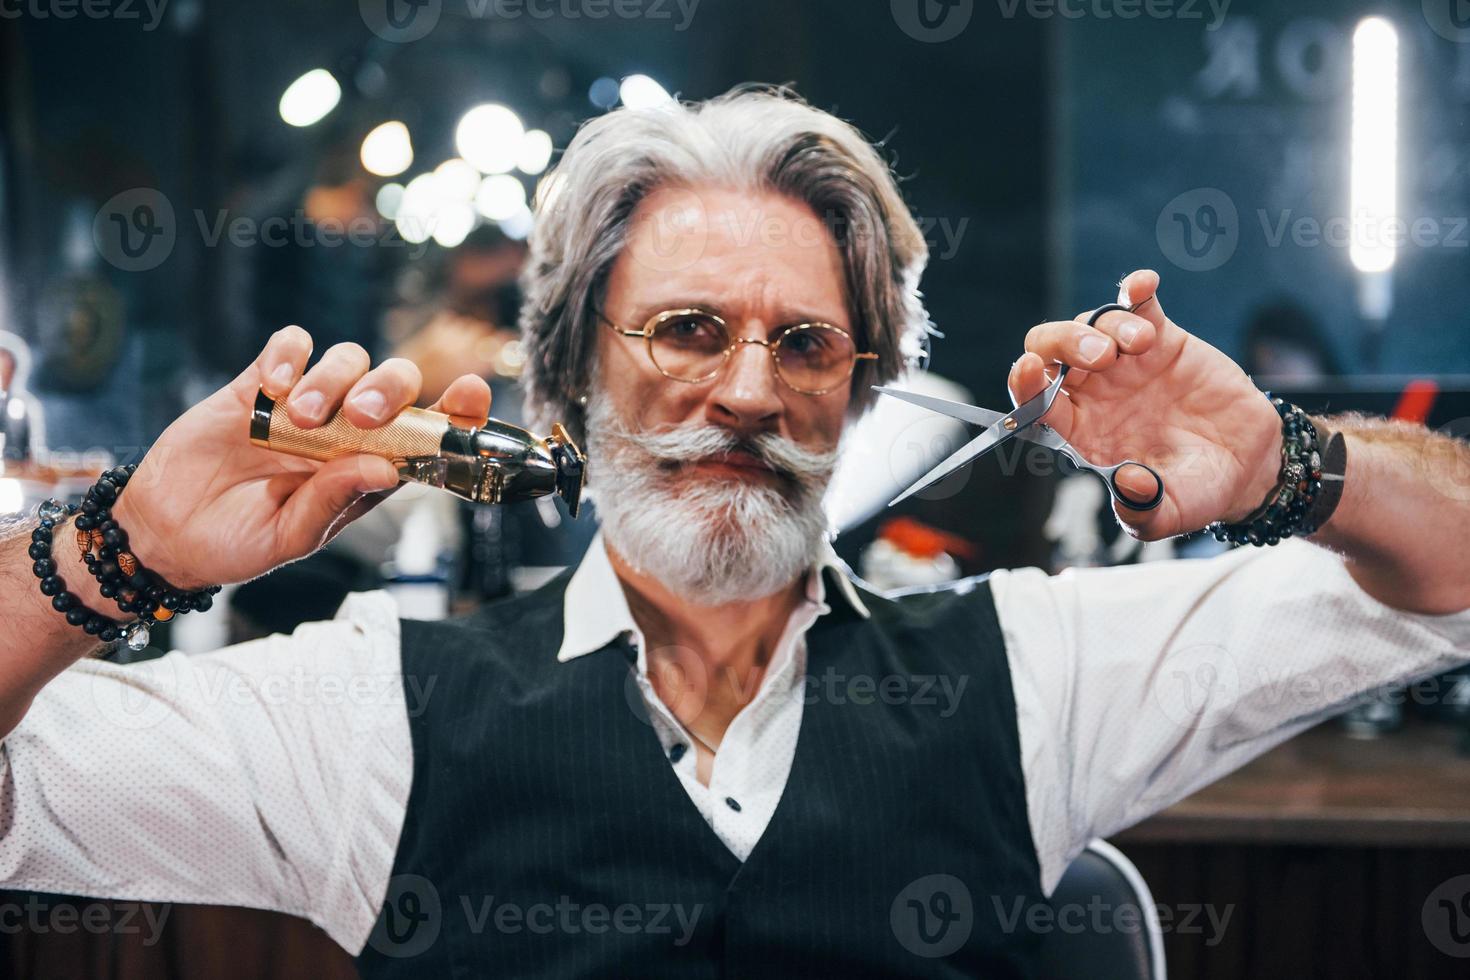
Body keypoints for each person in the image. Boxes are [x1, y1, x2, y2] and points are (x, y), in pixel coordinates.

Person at [3, 87, 1469, 978]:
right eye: (688, 330)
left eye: (809, 346)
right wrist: (112, 555)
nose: (748, 391)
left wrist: (1291, 460)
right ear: (571, 372)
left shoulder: (1040, 675)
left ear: (862, 392)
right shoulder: (372, 715)